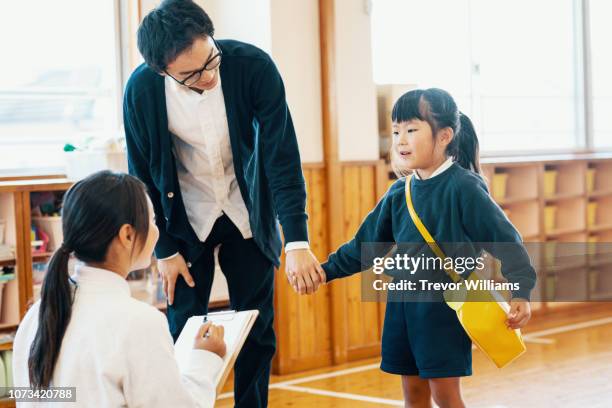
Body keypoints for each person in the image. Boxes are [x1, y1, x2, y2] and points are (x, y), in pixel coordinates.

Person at [124, 0, 324, 405]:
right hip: (183, 218)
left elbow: (281, 157)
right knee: (185, 328)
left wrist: (297, 242)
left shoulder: (253, 67)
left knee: (255, 330)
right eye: (192, 75)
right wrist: (164, 249)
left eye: (211, 60)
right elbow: (141, 174)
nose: (209, 76)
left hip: (245, 211)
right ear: (161, 70)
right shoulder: (141, 90)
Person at [320, 88, 537, 408]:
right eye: (396, 131)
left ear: (444, 135)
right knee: (414, 396)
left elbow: (506, 241)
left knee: (446, 396)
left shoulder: (464, 187)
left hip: (443, 310)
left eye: (411, 129)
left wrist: (521, 292)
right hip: (402, 307)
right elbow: (365, 247)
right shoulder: (399, 192)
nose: (400, 139)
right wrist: (323, 272)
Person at [12, 171, 226, 407]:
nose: (156, 231)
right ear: (127, 234)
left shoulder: (37, 314)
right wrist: (205, 358)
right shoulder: (139, 322)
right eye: (153, 221)